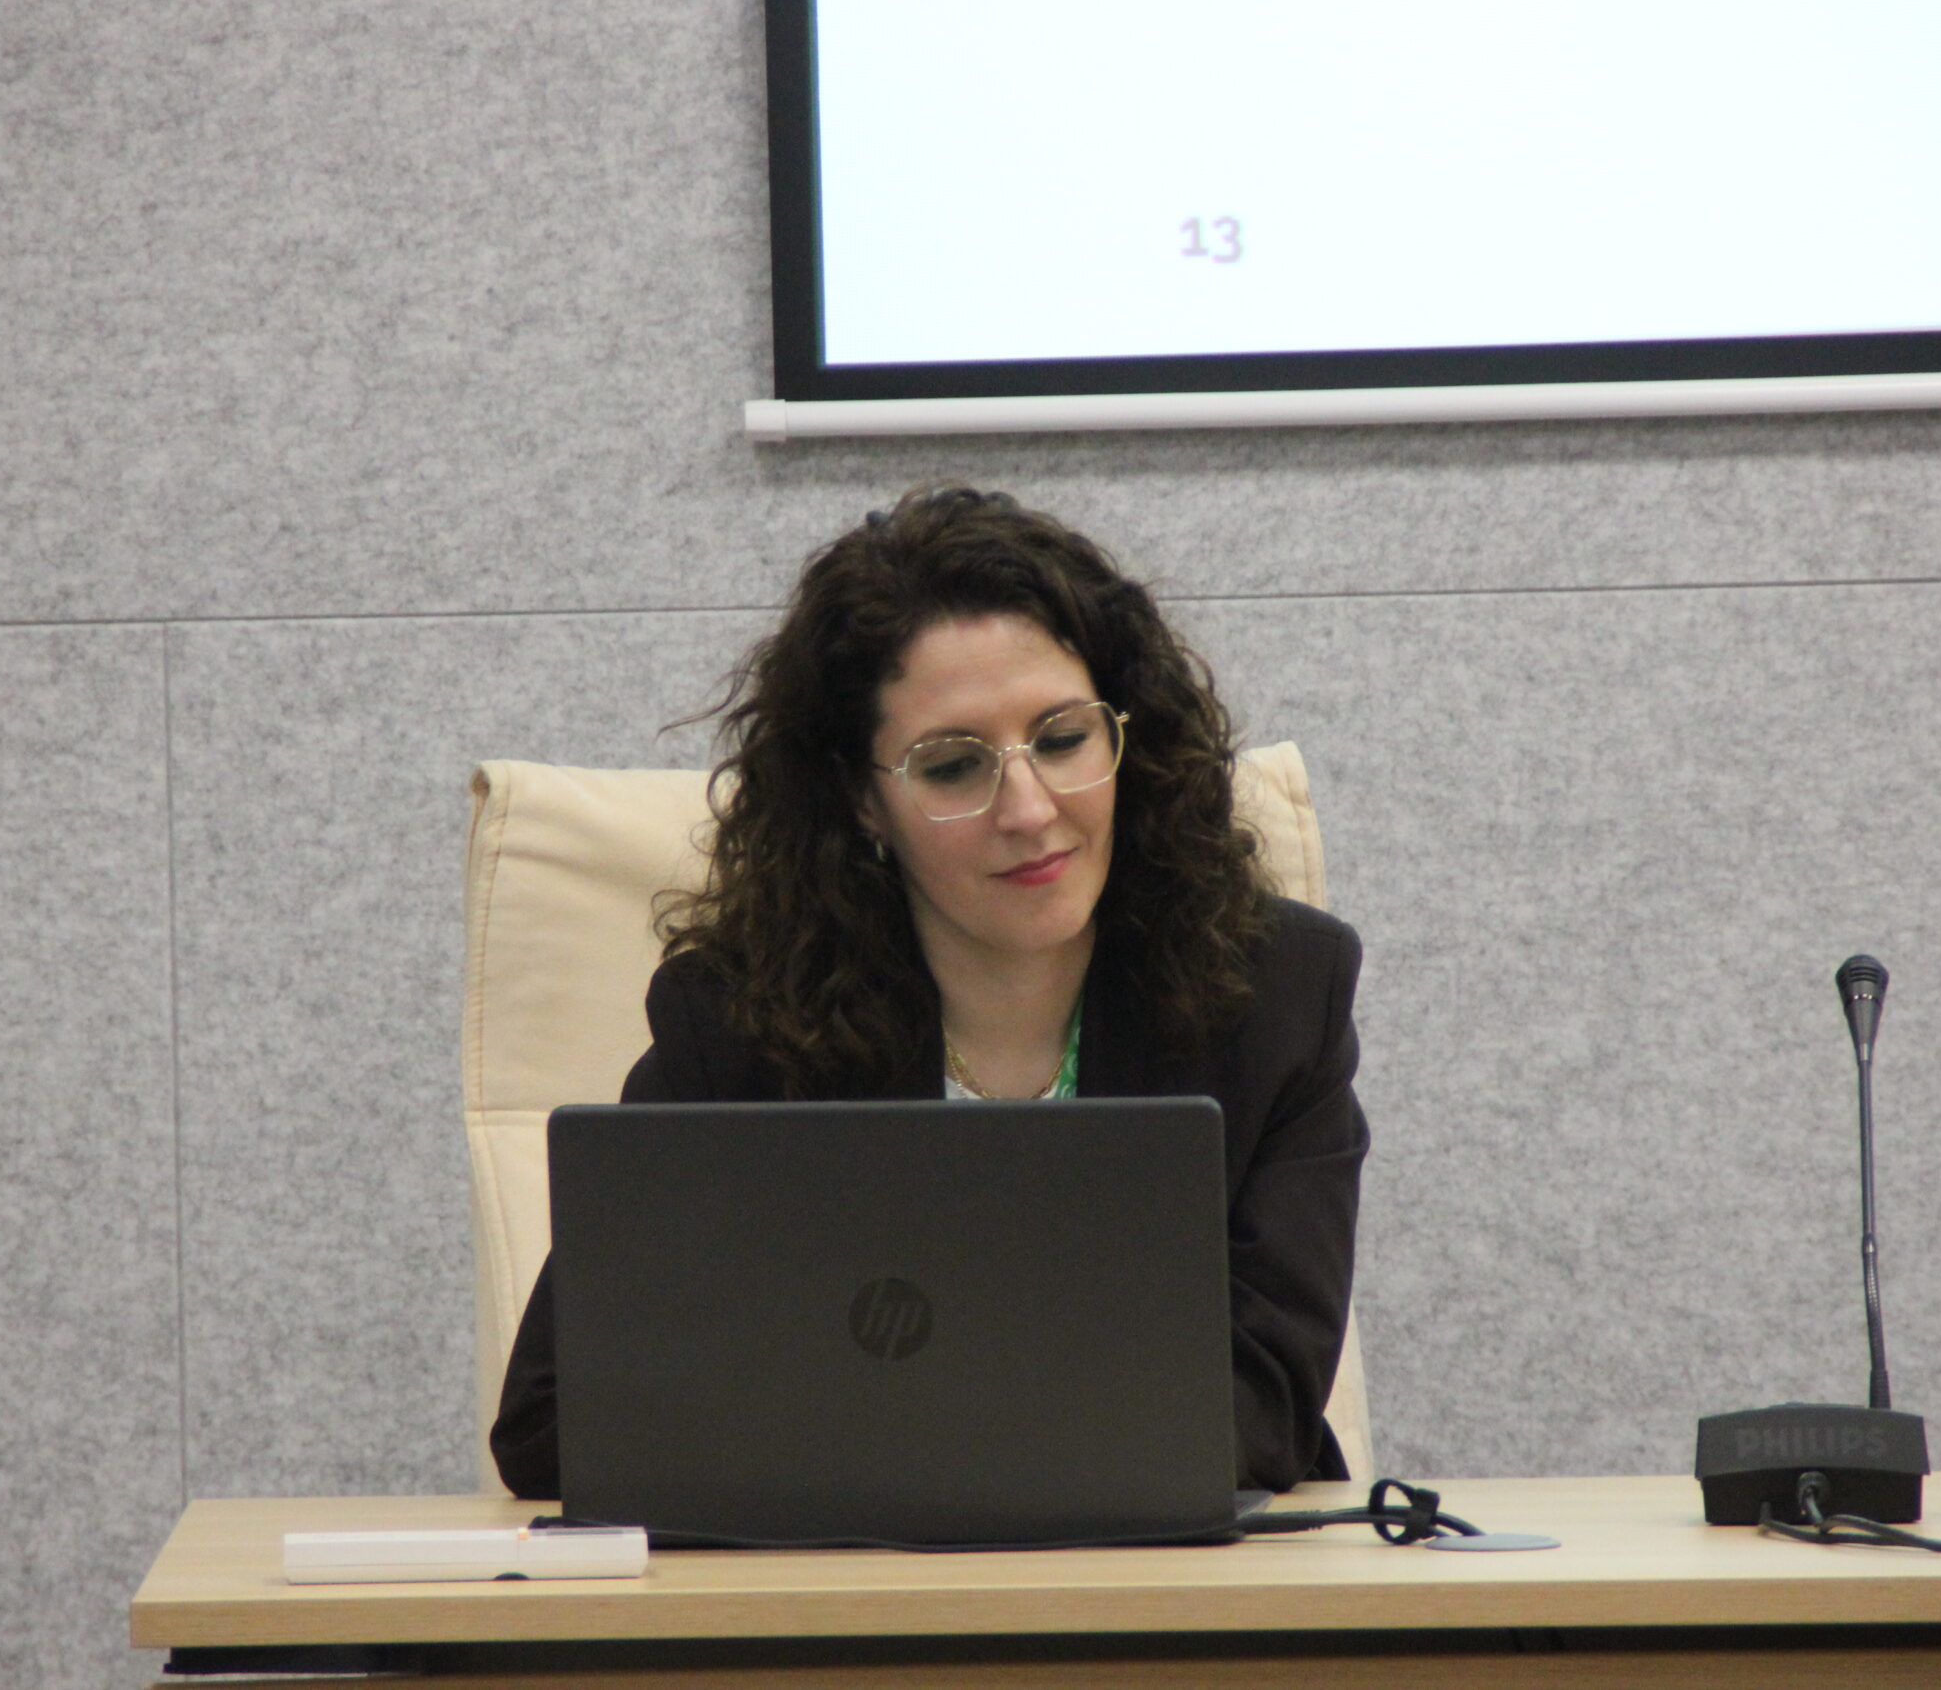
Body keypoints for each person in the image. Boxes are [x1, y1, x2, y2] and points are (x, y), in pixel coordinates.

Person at [491, 485, 1367, 1498]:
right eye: (953, 766)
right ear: (862, 800)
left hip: (1171, 1577)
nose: (1029, 809)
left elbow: (1260, 1410)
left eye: (1063, 739)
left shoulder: (1277, 997)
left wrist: (871, 1421)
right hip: (851, 1583)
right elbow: (557, 1419)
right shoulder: (740, 1025)